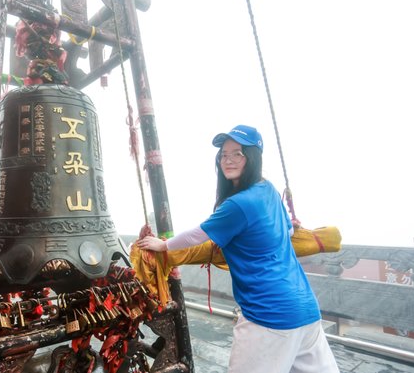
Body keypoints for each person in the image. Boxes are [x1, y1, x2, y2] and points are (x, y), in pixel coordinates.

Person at [136, 124, 339, 373]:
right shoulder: (268, 189)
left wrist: (163, 244)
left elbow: (198, 235)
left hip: (268, 317)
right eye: (224, 154)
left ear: (252, 158)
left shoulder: (239, 204)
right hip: (306, 311)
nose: (228, 160)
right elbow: (287, 231)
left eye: (237, 154)